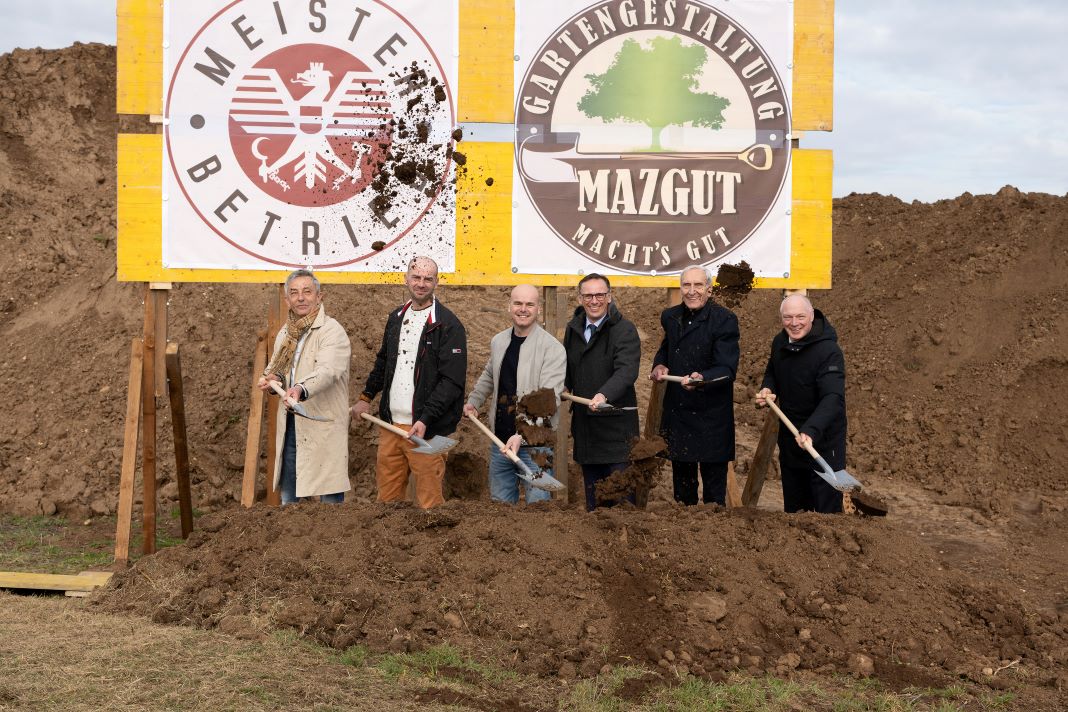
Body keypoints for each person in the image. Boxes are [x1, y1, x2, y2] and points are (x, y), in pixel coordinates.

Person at [351, 256, 467, 509]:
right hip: (391, 426)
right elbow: (384, 362)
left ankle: (433, 548)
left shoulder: (448, 325)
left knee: (430, 504)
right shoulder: (396, 318)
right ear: (406, 279)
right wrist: (365, 398)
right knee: (388, 503)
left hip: (431, 430)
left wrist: (425, 419)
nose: (421, 283)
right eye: (416, 277)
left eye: (428, 279)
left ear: (437, 282)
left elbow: (452, 382)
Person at [464, 285, 566, 504]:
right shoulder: (499, 341)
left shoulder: (552, 349)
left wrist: (523, 434)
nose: (523, 309)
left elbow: (550, 401)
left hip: (535, 446)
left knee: (539, 510)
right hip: (499, 441)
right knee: (501, 510)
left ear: (539, 308)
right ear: (509, 306)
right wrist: (474, 401)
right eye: (518, 303)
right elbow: (490, 375)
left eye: (530, 304)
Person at [257, 269, 351, 505]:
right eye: (294, 293)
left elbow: (328, 371)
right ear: (287, 299)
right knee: (290, 497)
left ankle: (332, 541)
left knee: (329, 499)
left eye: (307, 292)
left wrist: (299, 389)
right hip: (292, 425)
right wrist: (271, 380)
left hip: (323, 423)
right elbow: (277, 367)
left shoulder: (332, 331)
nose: (301, 298)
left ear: (319, 296)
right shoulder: (286, 333)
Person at [650, 266, 739, 506]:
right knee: (683, 492)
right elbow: (666, 348)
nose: (692, 291)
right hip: (680, 413)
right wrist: (660, 365)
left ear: (709, 289)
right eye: (686, 285)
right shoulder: (670, 317)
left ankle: (715, 539)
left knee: (713, 495)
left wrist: (702, 379)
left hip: (712, 417)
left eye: (698, 285)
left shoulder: (724, 320)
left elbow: (727, 369)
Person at [755, 294, 846, 514]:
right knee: (795, 509)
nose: (794, 323)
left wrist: (811, 430)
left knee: (825, 511)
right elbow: (772, 372)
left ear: (812, 316)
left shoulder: (828, 351)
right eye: (788, 317)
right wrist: (768, 388)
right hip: (791, 435)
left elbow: (833, 398)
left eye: (800, 317)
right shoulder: (780, 342)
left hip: (823, 441)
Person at [563, 273, 641, 511]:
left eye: (599, 295)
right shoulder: (573, 329)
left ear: (609, 297)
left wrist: (603, 395)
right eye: (588, 295)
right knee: (594, 506)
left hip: (617, 434)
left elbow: (627, 372)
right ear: (580, 298)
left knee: (622, 506)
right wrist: (564, 385)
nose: (594, 300)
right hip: (587, 432)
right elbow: (568, 366)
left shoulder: (624, 330)